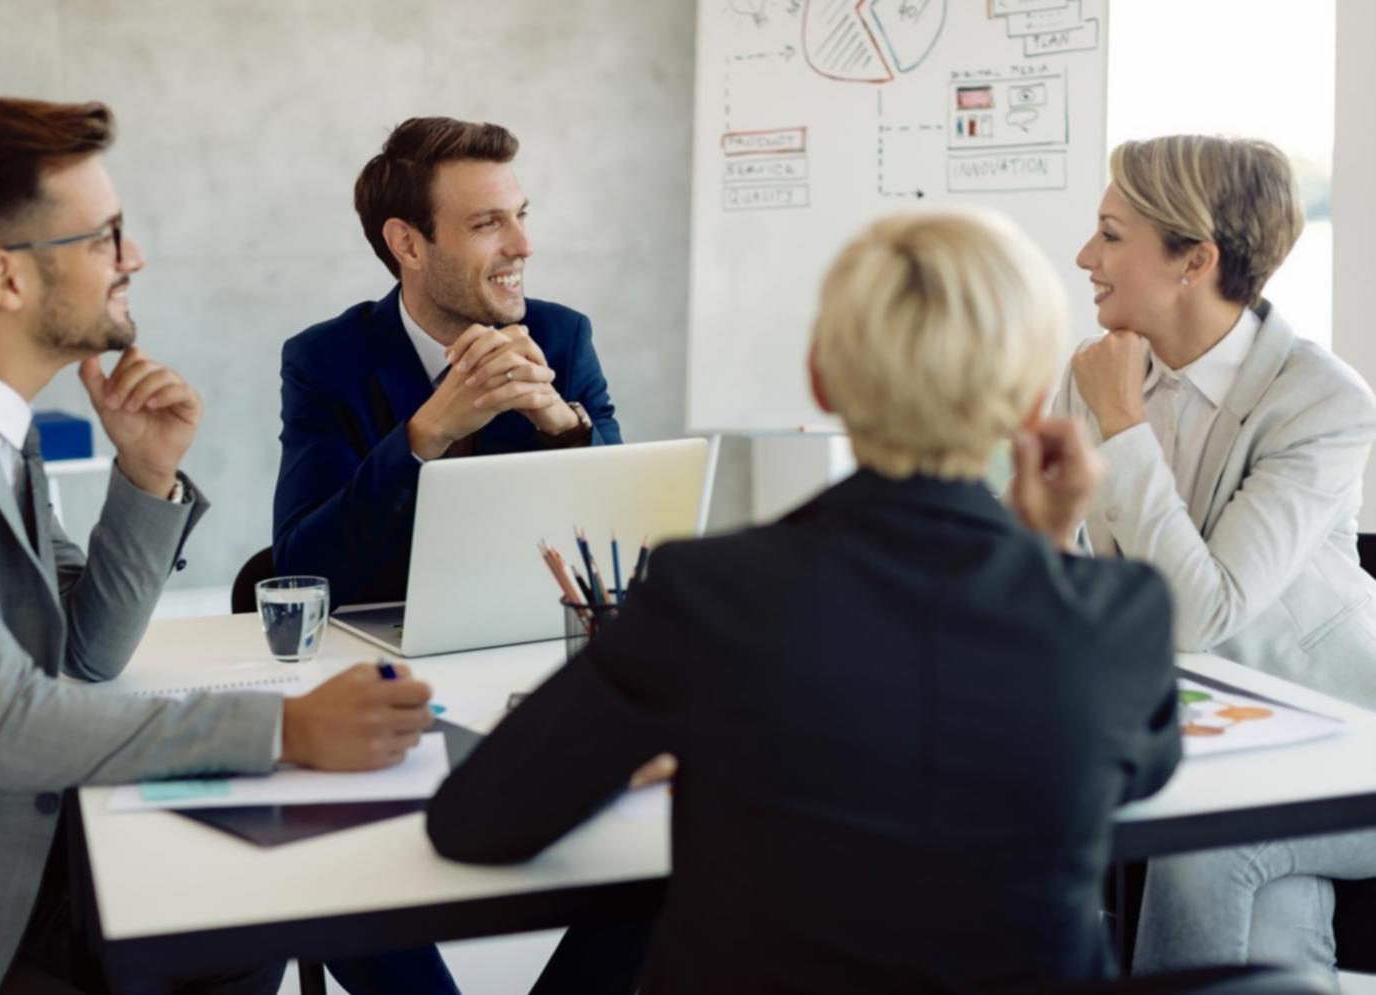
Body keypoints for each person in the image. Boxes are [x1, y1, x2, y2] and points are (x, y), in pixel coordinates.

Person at [426, 208, 1183, 993]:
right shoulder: (1117, 615)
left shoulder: (709, 593)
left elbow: (476, 821)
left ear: (821, 377)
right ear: (1033, 405)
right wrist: (1048, 553)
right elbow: (1131, 773)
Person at [0, 97, 435, 995]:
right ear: (5, 278)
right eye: (104, 237)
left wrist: (147, 477)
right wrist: (285, 727)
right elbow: (9, 723)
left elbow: (85, 652)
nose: (134, 258)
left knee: (253, 917)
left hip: (41, 857)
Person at [1057, 134, 1376, 977]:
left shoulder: (1322, 402)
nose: (1085, 258)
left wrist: (1124, 432)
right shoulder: (1098, 375)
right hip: (1200, 734)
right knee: (1260, 919)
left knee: (1206, 848)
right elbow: (1065, 571)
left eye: (1111, 235)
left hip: (1346, 746)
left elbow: (1201, 615)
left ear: (1193, 260)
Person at [273, 116, 620, 606]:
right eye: (487, 223)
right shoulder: (325, 360)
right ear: (408, 245)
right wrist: (425, 434)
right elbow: (302, 572)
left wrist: (562, 425)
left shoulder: (562, 337)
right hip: (389, 653)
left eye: (522, 215)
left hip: (530, 640)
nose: (523, 246)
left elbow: (621, 545)